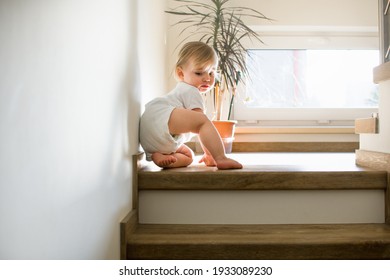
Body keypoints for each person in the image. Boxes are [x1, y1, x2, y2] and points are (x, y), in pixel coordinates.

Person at [139, 41, 242, 170]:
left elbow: (197, 125)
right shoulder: (191, 90)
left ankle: (160, 155)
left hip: (151, 134)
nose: (207, 78)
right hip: (160, 117)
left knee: (189, 156)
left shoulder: (181, 91)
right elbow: (200, 123)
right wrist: (211, 155)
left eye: (211, 73)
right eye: (199, 73)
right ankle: (221, 158)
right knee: (203, 121)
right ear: (181, 74)